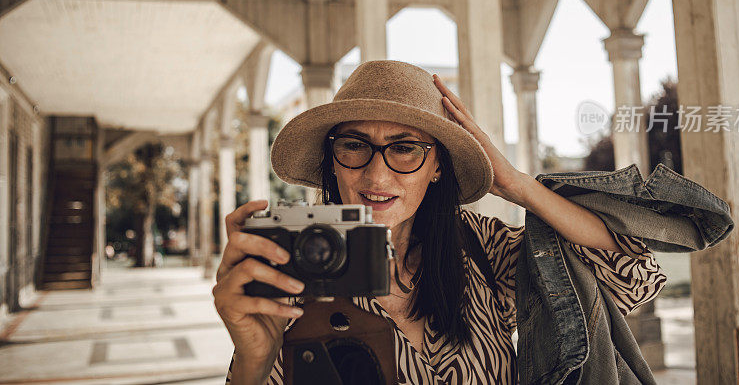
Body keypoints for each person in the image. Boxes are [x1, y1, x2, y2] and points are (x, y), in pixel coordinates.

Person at [214, 60, 666, 384]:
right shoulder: (292, 274)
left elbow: (631, 275)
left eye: (405, 147)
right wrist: (254, 362)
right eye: (354, 145)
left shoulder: (481, 248)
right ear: (331, 160)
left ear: (437, 167)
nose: (376, 175)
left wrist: (517, 186)